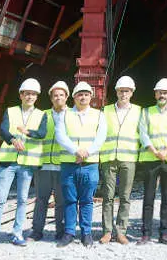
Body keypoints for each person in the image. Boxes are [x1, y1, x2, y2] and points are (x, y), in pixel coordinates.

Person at [0, 78, 48, 249]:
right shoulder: (10, 111)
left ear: (36, 96)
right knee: (0, 199)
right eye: (27, 94)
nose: (30, 96)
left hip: (27, 163)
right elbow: (3, 130)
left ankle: (17, 233)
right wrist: (12, 140)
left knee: (23, 199)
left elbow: (42, 133)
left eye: (33, 94)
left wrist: (28, 132)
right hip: (8, 162)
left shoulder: (41, 115)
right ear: (21, 95)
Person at [55, 81, 108, 247]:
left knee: (87, 200)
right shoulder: (64, 114)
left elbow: (101, 138)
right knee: (69, 200)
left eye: (86, 94)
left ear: (91, 96)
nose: (83, 97)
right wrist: (76, 151)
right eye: (79, 94)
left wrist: (87, 152)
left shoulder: (99, 115)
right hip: (69, 164)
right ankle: (69, 232)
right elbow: (60, 136)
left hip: (89, 164)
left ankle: (86, 233)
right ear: (74, 97)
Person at [138, 78, 167, 245]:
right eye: (160, 92)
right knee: (148, 197)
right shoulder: (146, 112)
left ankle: (164, 233)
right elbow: (143, 133)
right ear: (155, 94)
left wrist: (166, 151)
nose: (162, 95)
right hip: (151, 158)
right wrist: (155, 151)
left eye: (165, 92)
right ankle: (146, 233)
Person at [98, 76, 142, 245]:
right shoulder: (106, 111)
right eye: (121, 90)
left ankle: (121, 231)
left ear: (132, 92)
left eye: (127, 91)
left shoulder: (139, 111)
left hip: (128, 159)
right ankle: (107, 232)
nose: (124, 93)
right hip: (109, 158)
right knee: (107, 196)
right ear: (116, 92)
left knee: (125, 196)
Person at [31, 81, 69, 242]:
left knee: (61, 201)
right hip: (43, 164)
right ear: (51, 98)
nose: (58, 98)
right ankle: (36, 231)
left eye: (61, 95)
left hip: (63, 165)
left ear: (67, 97)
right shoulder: (42, 115)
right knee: (41, 199)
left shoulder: (72, 115)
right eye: (55, 95)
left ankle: (60, 231)